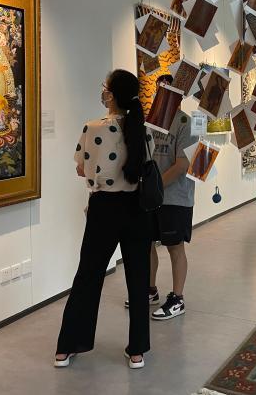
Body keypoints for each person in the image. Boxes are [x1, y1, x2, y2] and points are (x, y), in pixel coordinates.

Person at [55, 69, 152, 370]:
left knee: (88, 275)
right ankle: (137, 352)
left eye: (105, 87)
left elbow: (81, 169)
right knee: (138, 279)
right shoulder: (143, 129)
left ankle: (67, 348)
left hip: (104, 209)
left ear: (110, 95)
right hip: (137, 209)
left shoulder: (94, 127)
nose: (102, 91)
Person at [125, 74, 196, 320]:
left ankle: (178, 298)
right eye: (159, 89)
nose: (162, 94)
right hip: (152, 197)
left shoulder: (186, 123)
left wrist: (154, 187)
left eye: (168, 89)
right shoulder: (152, 122)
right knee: (147, 243)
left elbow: (181, 165)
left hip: (175, 198)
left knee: (174, 247)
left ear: (178, 94)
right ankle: (150, 289)